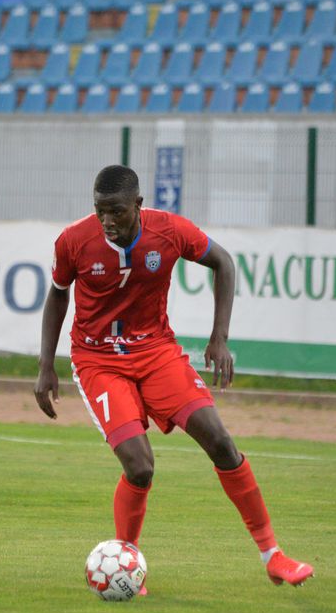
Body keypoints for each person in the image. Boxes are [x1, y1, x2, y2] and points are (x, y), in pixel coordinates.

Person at [34, 165, 313, 590]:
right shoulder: (74, 241)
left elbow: (224, 262)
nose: (107, 221)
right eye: (100, 211)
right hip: (98, 361)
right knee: (140, 466)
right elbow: (57, 295)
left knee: (220, 441)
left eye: (117, 212)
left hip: (157, 351)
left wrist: (219, 338)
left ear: (138, 206)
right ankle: (126, 566)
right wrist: (44, 365)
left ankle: (273, 556)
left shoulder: (168, 231)